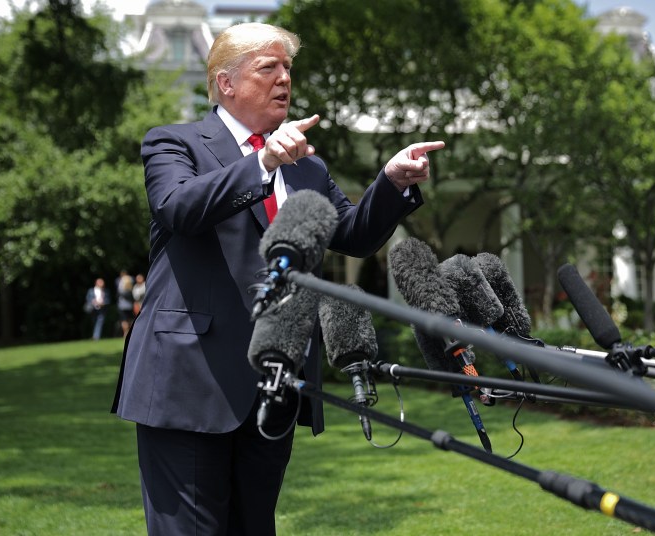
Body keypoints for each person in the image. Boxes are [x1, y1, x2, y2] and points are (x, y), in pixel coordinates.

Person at [111, 22, 444, 536]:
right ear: (226, 82)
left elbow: (351, 234)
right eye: (270, 68)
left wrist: (390, 183)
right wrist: (261, 163)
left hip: (275, 384)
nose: (285, 79)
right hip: (189, 382)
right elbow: (178, 208)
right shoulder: (174, 143)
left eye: (288, 68)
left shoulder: (307, 166)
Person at [116, 270, 135, 337]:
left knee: (124, 320)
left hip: (122, 305)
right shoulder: (130, 284)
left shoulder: (120, 286)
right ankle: (129, 332)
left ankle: (125, 333)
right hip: (129, 305)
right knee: (130, 319)